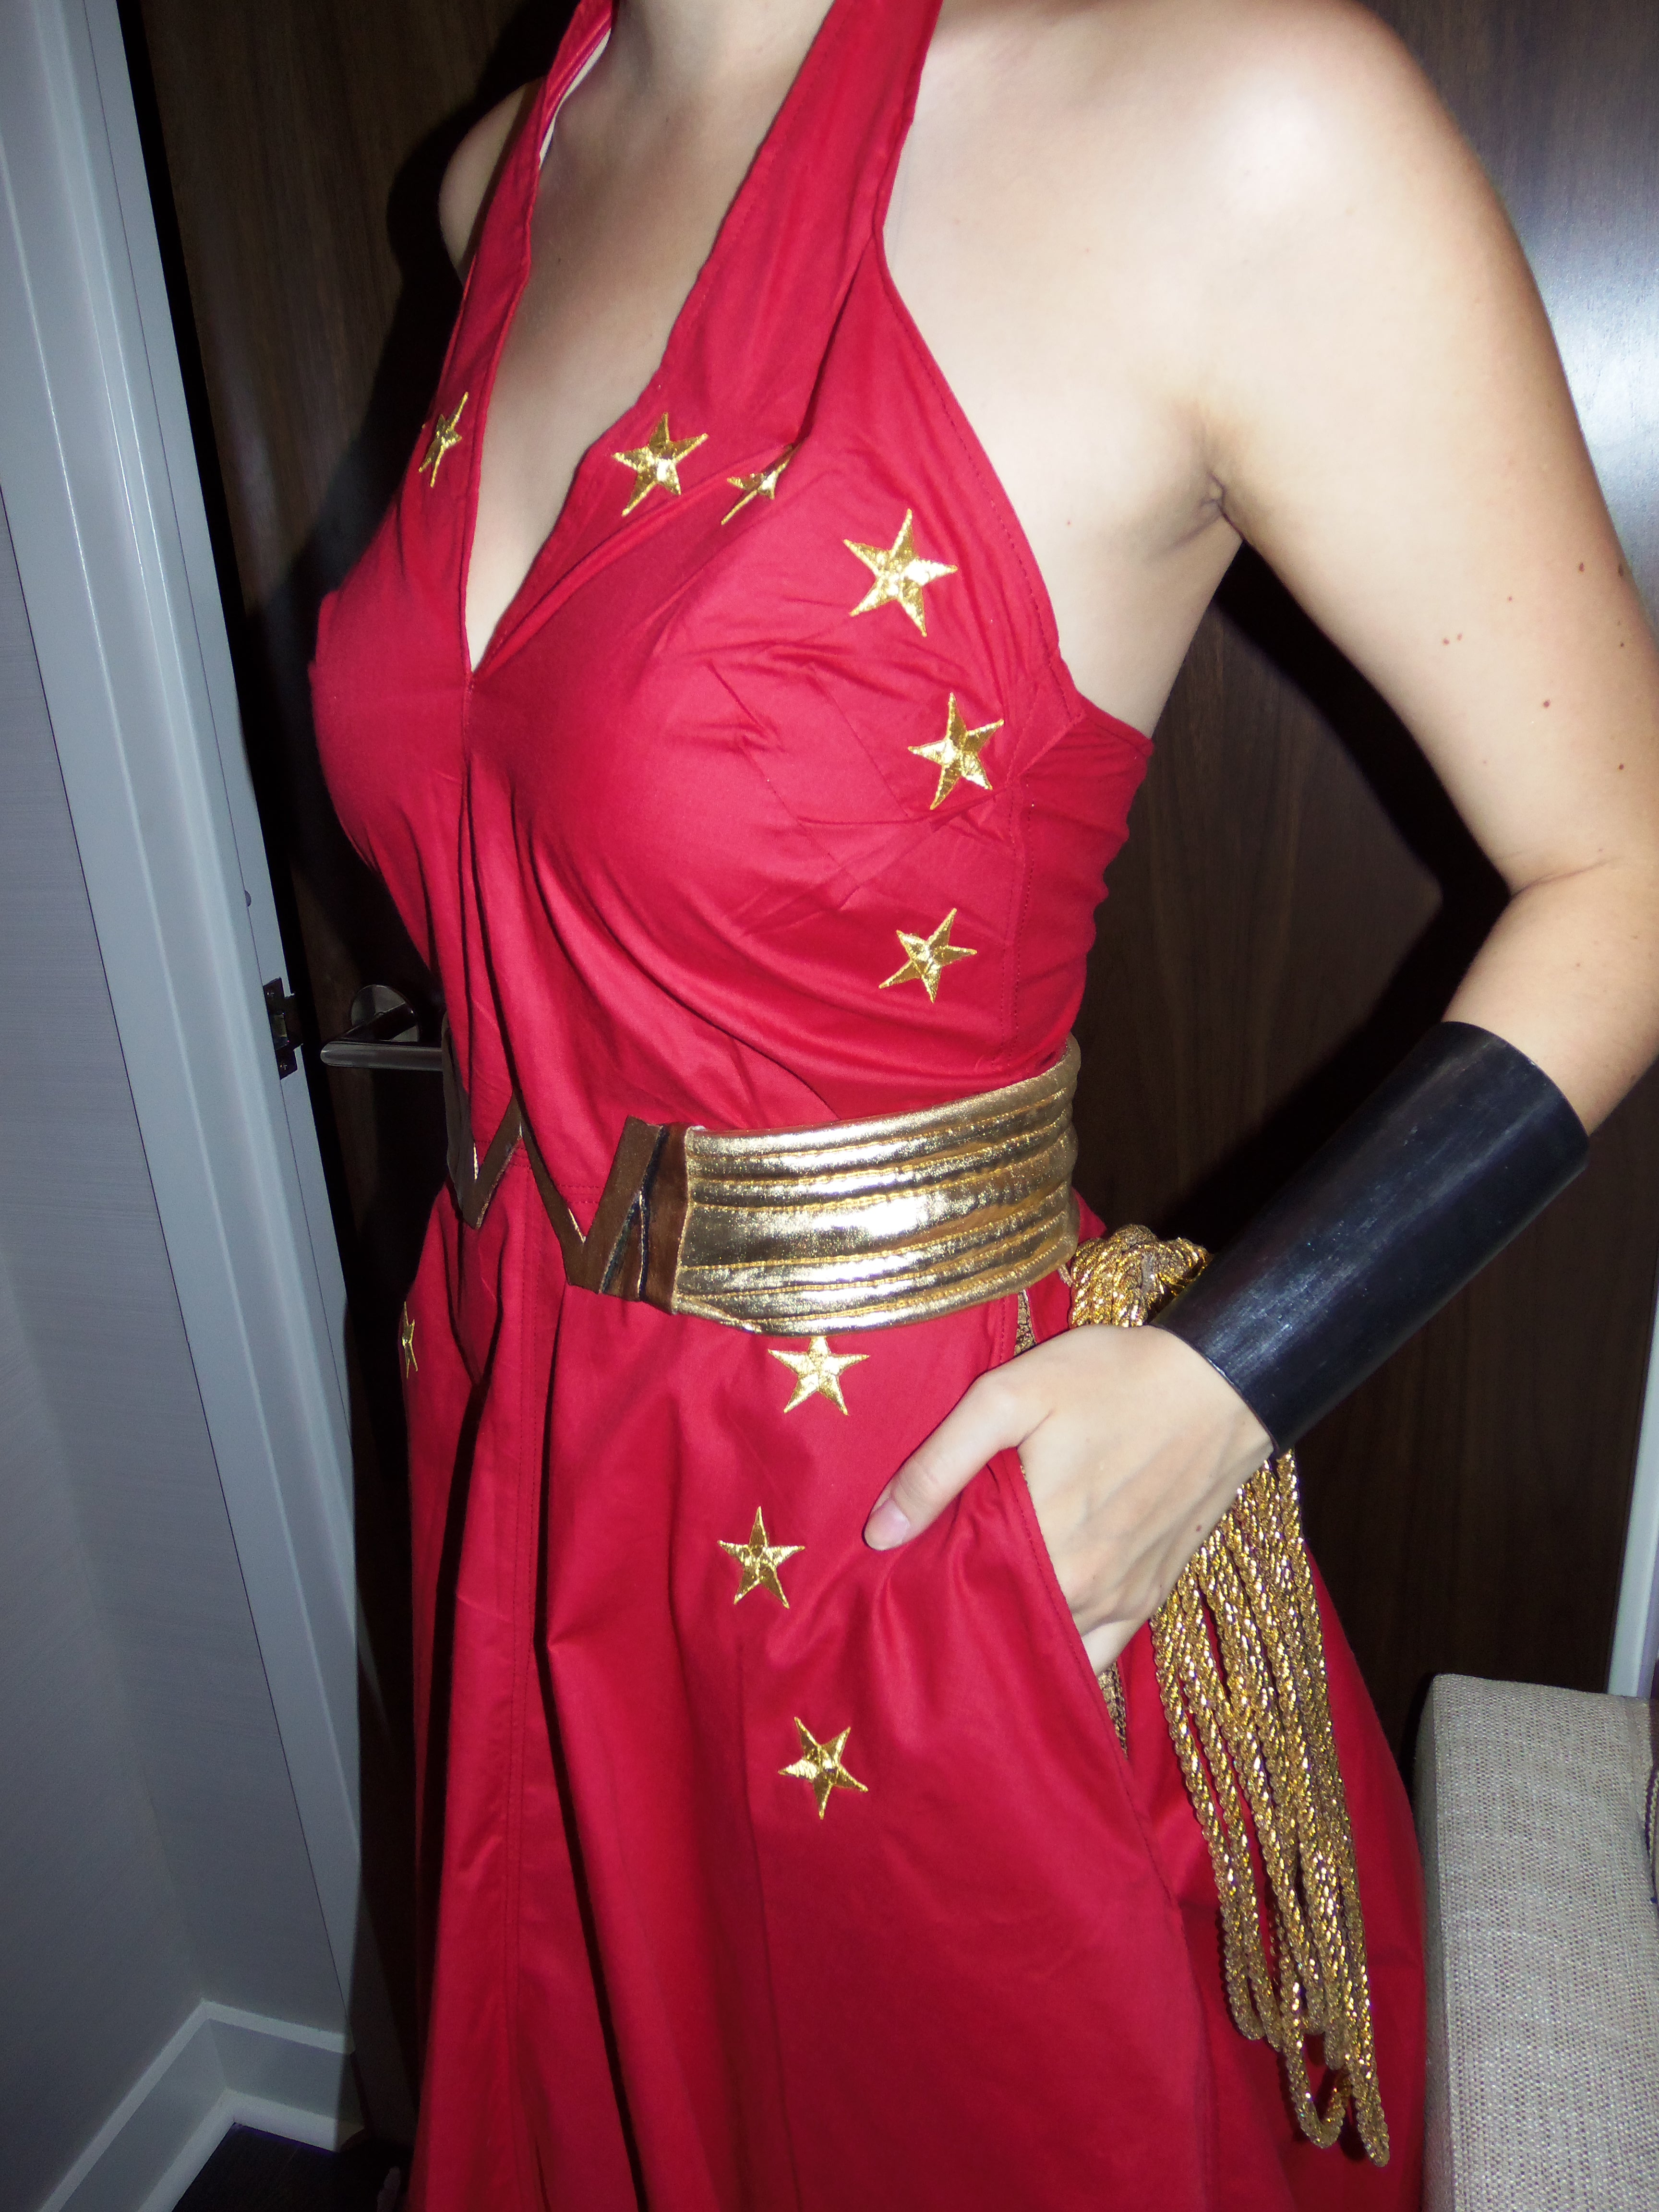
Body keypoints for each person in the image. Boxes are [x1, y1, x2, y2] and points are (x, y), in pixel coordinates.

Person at [309, 0, 1659, 2205]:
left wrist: (1223, 1389)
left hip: (902, 1517)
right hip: (522, 1447)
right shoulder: (502, 176)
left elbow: (1630, 868)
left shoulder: (1229, 122)